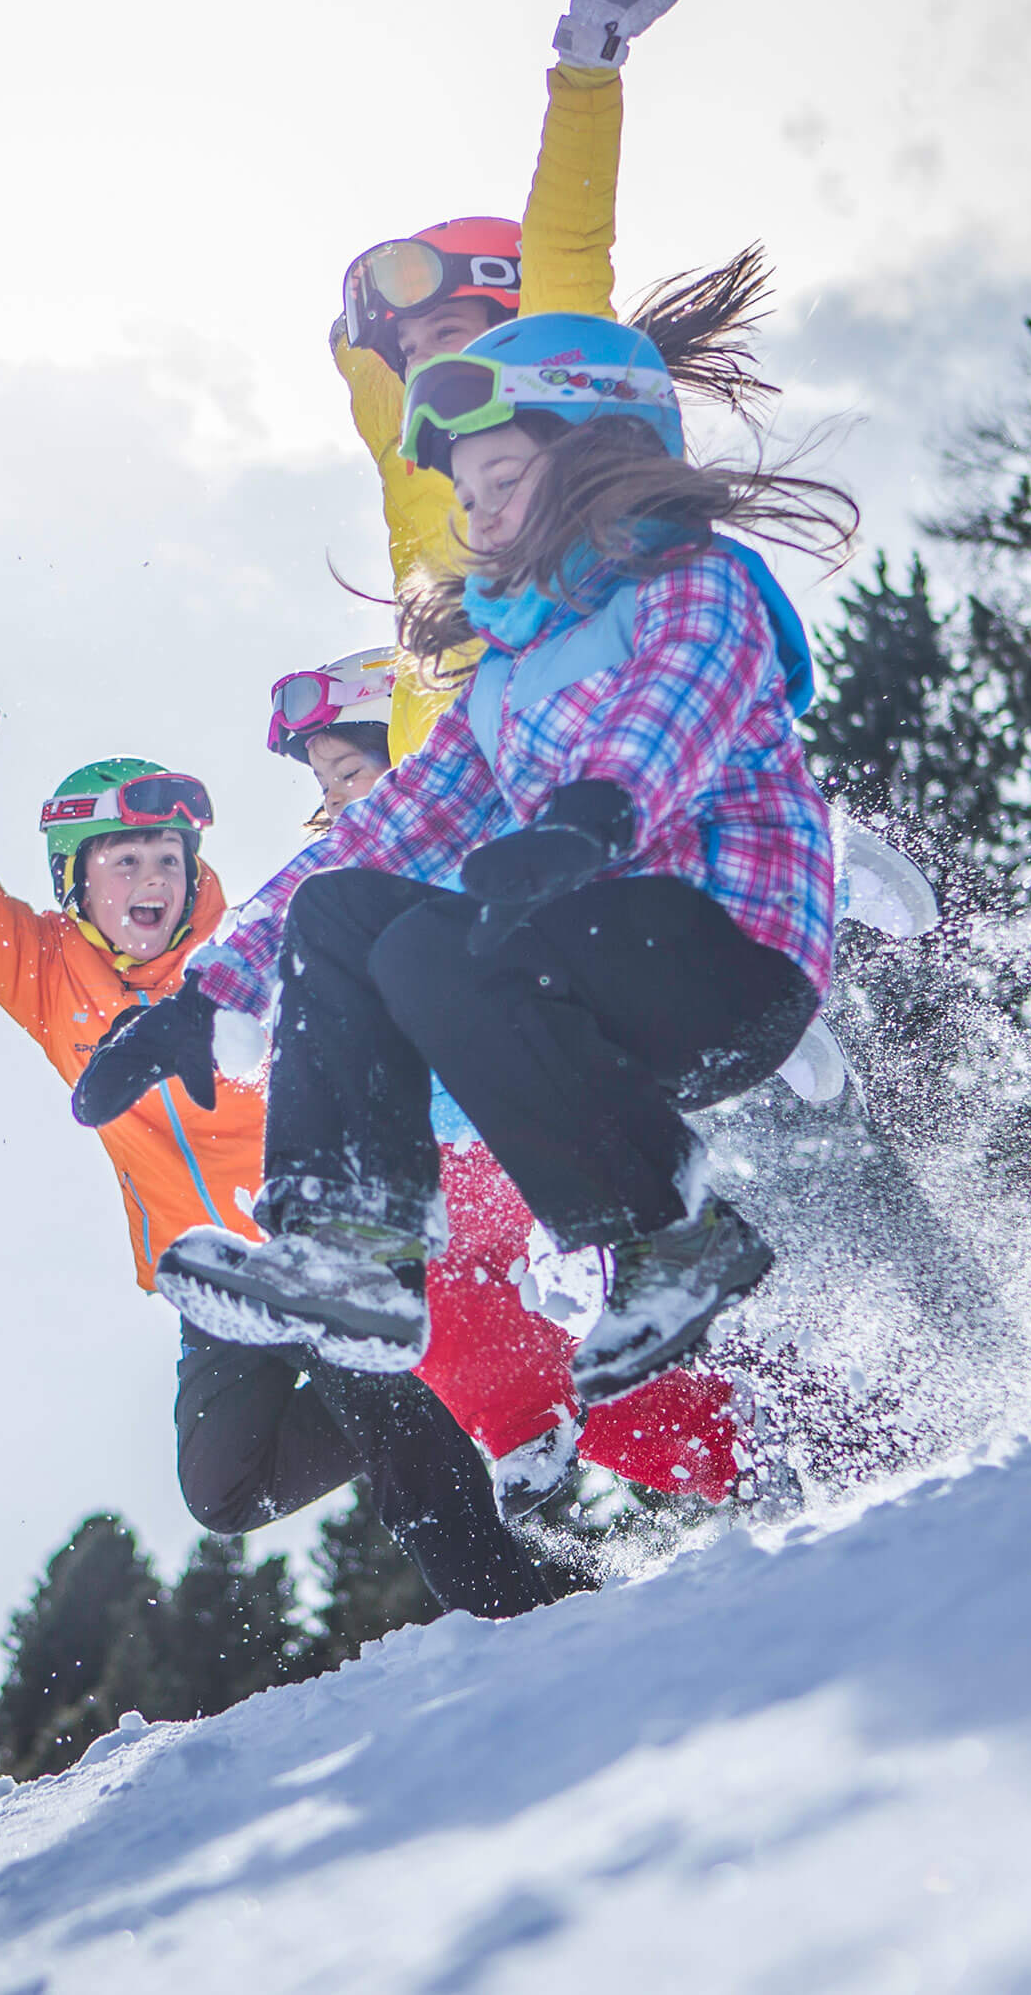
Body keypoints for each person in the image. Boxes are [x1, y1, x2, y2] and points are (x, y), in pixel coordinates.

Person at [73, 308, 857, 1408]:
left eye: (501, 480)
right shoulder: (501, 676)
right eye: (469, 496)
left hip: (727, 954)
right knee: (352, 910)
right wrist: (210, 990)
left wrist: (588, 817)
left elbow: (673, 705)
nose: (479, 517)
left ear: (598, 453)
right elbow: (383, 827)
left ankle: (668, 1236)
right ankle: (352, 1248)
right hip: (585, 978)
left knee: (442, 945)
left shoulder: (693, 584)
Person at [0, 664, 549, 1618]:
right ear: (74, 877)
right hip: (209, 1284)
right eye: (123, 860)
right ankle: (432, 1392)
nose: (151, 879)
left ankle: (515, 1611)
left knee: (392, 1428)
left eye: (167, 857)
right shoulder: (47, 978)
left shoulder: (249, 945)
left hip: (315, 1248)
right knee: (224, 1492)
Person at [268, 646, 744, 1512]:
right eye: (325, 785)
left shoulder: (481, 835)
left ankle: (765, 1427)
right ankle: (724, 1452)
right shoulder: (347, 881)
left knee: (465, 1267)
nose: (336, 798)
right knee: (574, 1372)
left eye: (349, 770)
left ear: (407, 746)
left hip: (533, 1125)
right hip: (463, 1147)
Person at [332, 0, 705, 757]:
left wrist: (586, 70)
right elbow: (370, 378)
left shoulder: (562, 413)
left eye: (448, 333)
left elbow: (566, 250)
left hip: (577, 751)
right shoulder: (413, 451)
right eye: (412, 347)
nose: (424, 360)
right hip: (436, 780)